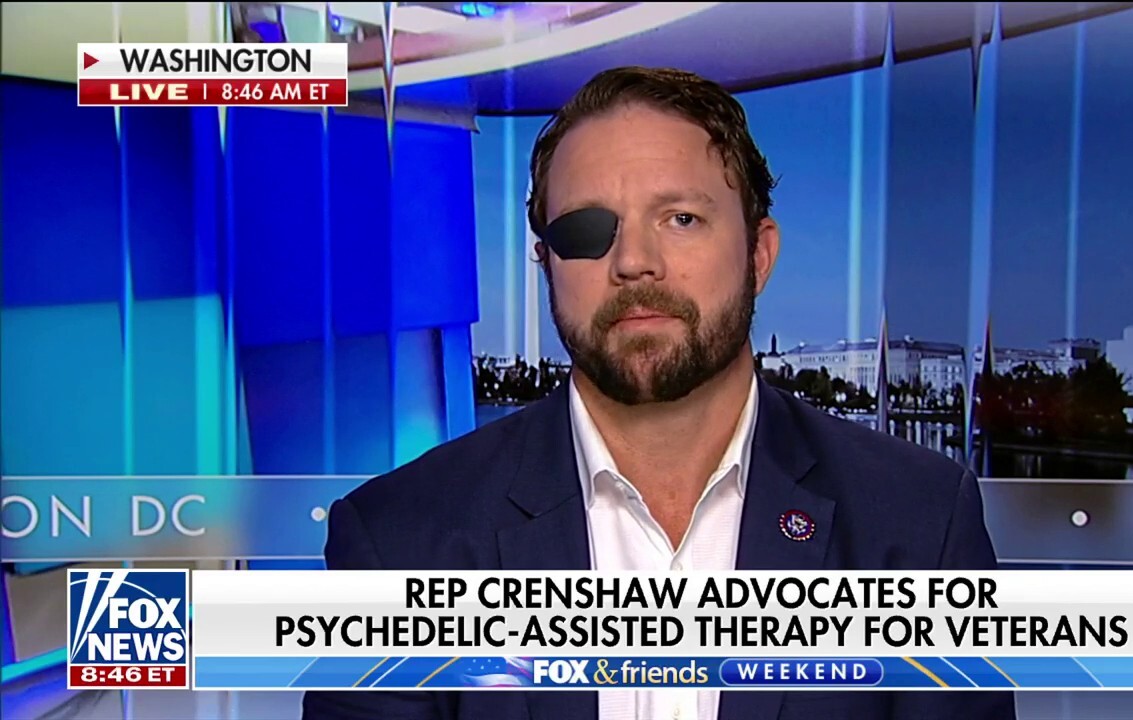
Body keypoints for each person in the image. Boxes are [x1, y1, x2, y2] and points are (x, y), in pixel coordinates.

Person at [303, 66, 1016, 720]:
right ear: (545, 264)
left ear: (759, 254)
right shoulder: (399, 542)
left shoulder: (919, 528)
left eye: (681, 219)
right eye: (588, 229)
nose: (635, 263)